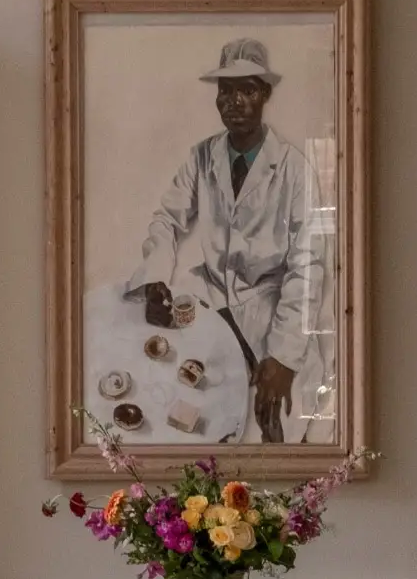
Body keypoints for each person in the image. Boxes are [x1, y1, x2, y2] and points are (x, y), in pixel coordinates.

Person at [125, 38, 325, 442]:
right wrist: (154, 279)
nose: (235, 102)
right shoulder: (203, 157)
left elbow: (309, 265)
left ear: (266, 94)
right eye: (226, 91)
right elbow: (168, 218)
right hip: (215, 304)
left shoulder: (294, 170)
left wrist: (283, 357)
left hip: (273, 310)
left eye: (247, 90)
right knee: (179, 408)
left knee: (284, 428)